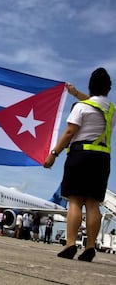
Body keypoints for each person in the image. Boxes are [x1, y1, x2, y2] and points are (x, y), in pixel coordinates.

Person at [44, 68, 115, 262]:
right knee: (93, 203)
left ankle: (70, 244)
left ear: (90, 86)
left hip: (80, 155)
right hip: (102, 159)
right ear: (108, 88)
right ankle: (90, 246)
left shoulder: (81, 108)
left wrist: (53, 154)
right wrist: (75, 93)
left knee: (75, 201)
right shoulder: (111, 110)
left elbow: (69, 132)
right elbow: (95, 103)